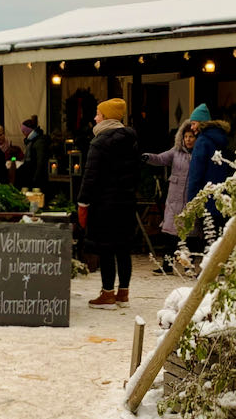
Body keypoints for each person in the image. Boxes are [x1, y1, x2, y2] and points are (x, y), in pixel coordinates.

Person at [77, 97, 139, 309]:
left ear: (106, 117)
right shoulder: (131, 141)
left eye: (98, 114)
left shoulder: (100, 142)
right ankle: (123, 293)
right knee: (123, 248)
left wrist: (83, 202)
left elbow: (90, 176)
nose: (95, 117)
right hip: (126, 202)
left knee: (106, 248)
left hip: (104, 204)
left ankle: (107, 294)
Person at [141, 119, 197, 274]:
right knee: (169, 234)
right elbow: (160, 158)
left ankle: (188, 267)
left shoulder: (199, 154)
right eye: (185, 136)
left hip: (190, 200)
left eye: (191, 137)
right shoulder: (176, 151)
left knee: (188, 235)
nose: (188, 139)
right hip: (174, 198)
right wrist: (148, 157)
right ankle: (167, 266)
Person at [185, 104, 233, 247]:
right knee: (220, 240)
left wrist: (192, 202)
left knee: (208, 240)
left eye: (194, 124)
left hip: (206, 199)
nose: (192, 128)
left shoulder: (202, 141)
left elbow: (196, 173)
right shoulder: (221, 139)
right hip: (222, 198)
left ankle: (210, 269)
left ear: (201, 123)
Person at [15, 114, 51, 192]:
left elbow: (40, 161)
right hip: (32, 176)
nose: (23, 133)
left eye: (23, 131)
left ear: (27, 131)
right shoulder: (32, 141)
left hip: (36, 178)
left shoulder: (39, 142)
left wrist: (36, 178)